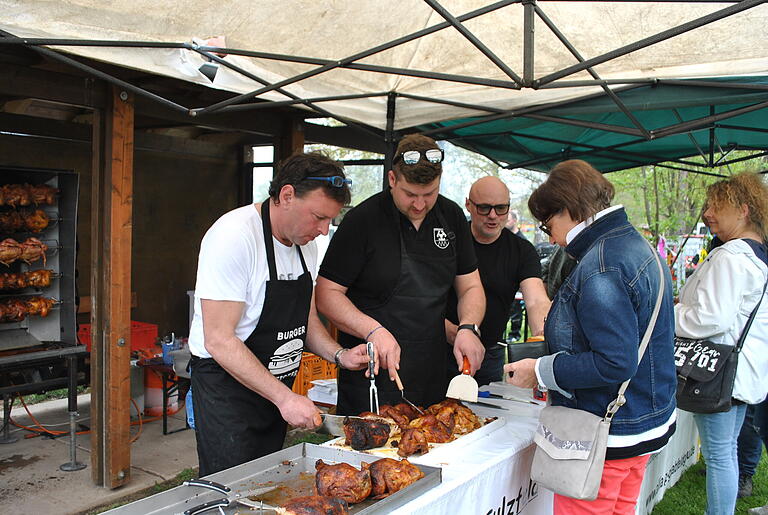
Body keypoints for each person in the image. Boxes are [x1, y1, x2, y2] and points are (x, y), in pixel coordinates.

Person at [506, 159, 677, 514]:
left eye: (547, 223)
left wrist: (540, 371)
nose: (550, 236)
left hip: (605, 434)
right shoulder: (636, 245)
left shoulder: (602, 264)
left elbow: (614, 360)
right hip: (640, 422)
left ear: (569, 210)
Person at [188, 153, 369, 476]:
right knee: (229, 492)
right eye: (318, 217)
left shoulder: (306, 246)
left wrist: (340, 354)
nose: (325, 230)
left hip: (273, 389)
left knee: (266, 482)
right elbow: (219, 340)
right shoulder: (234, 237)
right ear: (286, 196)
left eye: (331, 219)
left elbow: (305, 320)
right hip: (228, 390)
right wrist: (285, 398)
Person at [316, 134, 485, 415]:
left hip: (433, 371)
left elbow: (471, 287)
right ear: (392, 180)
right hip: (372, 375)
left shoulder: (451, 216)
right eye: (410, 195)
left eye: (429, 194)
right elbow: (327, 294)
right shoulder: (362, 221)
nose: (419, 205)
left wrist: (468, 327)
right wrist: (372, 330)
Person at [674, 172, 768, 515]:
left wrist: (671, 315)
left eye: (716, 206)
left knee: (719, 454)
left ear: (743, 209)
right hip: (740, 371)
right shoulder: (757, 254)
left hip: (719, 372)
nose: (708, 213)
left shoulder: (731, 257)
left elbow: (709, 318)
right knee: (723, 451)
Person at [444, 176, 550, 386]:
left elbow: (536, 300)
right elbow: (420, 295)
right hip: (438, 348)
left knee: (484, 417)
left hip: (489, 353)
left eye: (501, 208)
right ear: (468, 205)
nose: (493, 216)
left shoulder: (522, 250)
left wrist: (542, 332)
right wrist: (446, 329)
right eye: (484, 208)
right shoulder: (449, 241)